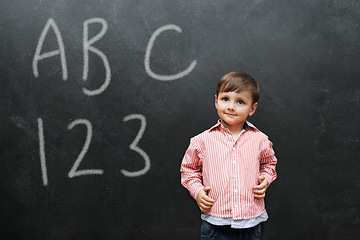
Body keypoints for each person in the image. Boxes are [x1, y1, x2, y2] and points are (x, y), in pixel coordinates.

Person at [180, 71, 277, 240]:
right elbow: (188, 170)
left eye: (240, 102)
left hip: (250, 223)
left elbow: (269, 164)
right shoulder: (202, 140)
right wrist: (197, 191)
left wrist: (266, 179)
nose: (231, 106)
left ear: (252, 108)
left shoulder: (260, 140)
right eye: (225, 99)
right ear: (216, 101)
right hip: (215, 224)